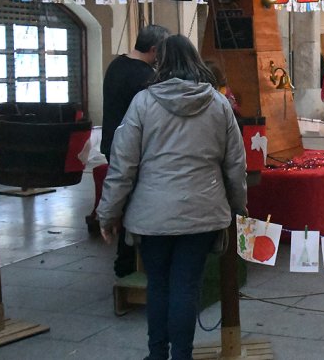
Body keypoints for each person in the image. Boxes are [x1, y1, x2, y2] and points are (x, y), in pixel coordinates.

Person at [97, 34, 247, 360]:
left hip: (152, 216)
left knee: (159, 285)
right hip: (202, 213)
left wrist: (108, 214)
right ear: (194, 61)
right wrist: (237, 205)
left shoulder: (143, 103)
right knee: (186, 287)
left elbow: (123, 165)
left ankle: (156, 354)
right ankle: (182, 355)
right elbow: (235, 163)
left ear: (161, 63)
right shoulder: (219, 105)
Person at [99, 24, 170, 278]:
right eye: (162, 51)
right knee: (133, 205)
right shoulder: (143, 77)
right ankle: (128, 263)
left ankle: (126, 262)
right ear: (153, 49)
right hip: (130, 149)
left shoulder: (117, 65)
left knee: (125, 201)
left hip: (112, 143)